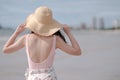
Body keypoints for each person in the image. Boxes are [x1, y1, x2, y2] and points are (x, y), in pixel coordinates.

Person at [2, 6, 81, 80]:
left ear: (34, 23)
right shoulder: (55, 40)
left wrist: (16, 33)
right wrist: (69, 33)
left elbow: (5, 50)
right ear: (50, 25)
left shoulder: (26, 38)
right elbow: (77, 52)